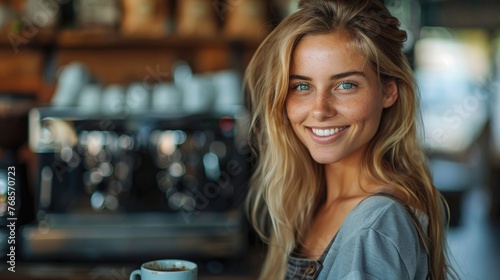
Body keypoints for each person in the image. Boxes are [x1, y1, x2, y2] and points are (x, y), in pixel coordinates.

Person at [243, 0, 458, 279]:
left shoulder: (376, 224)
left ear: (388, 92)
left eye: (345, 85)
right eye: (302, 86)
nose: (320, 109)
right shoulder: (309, 202)